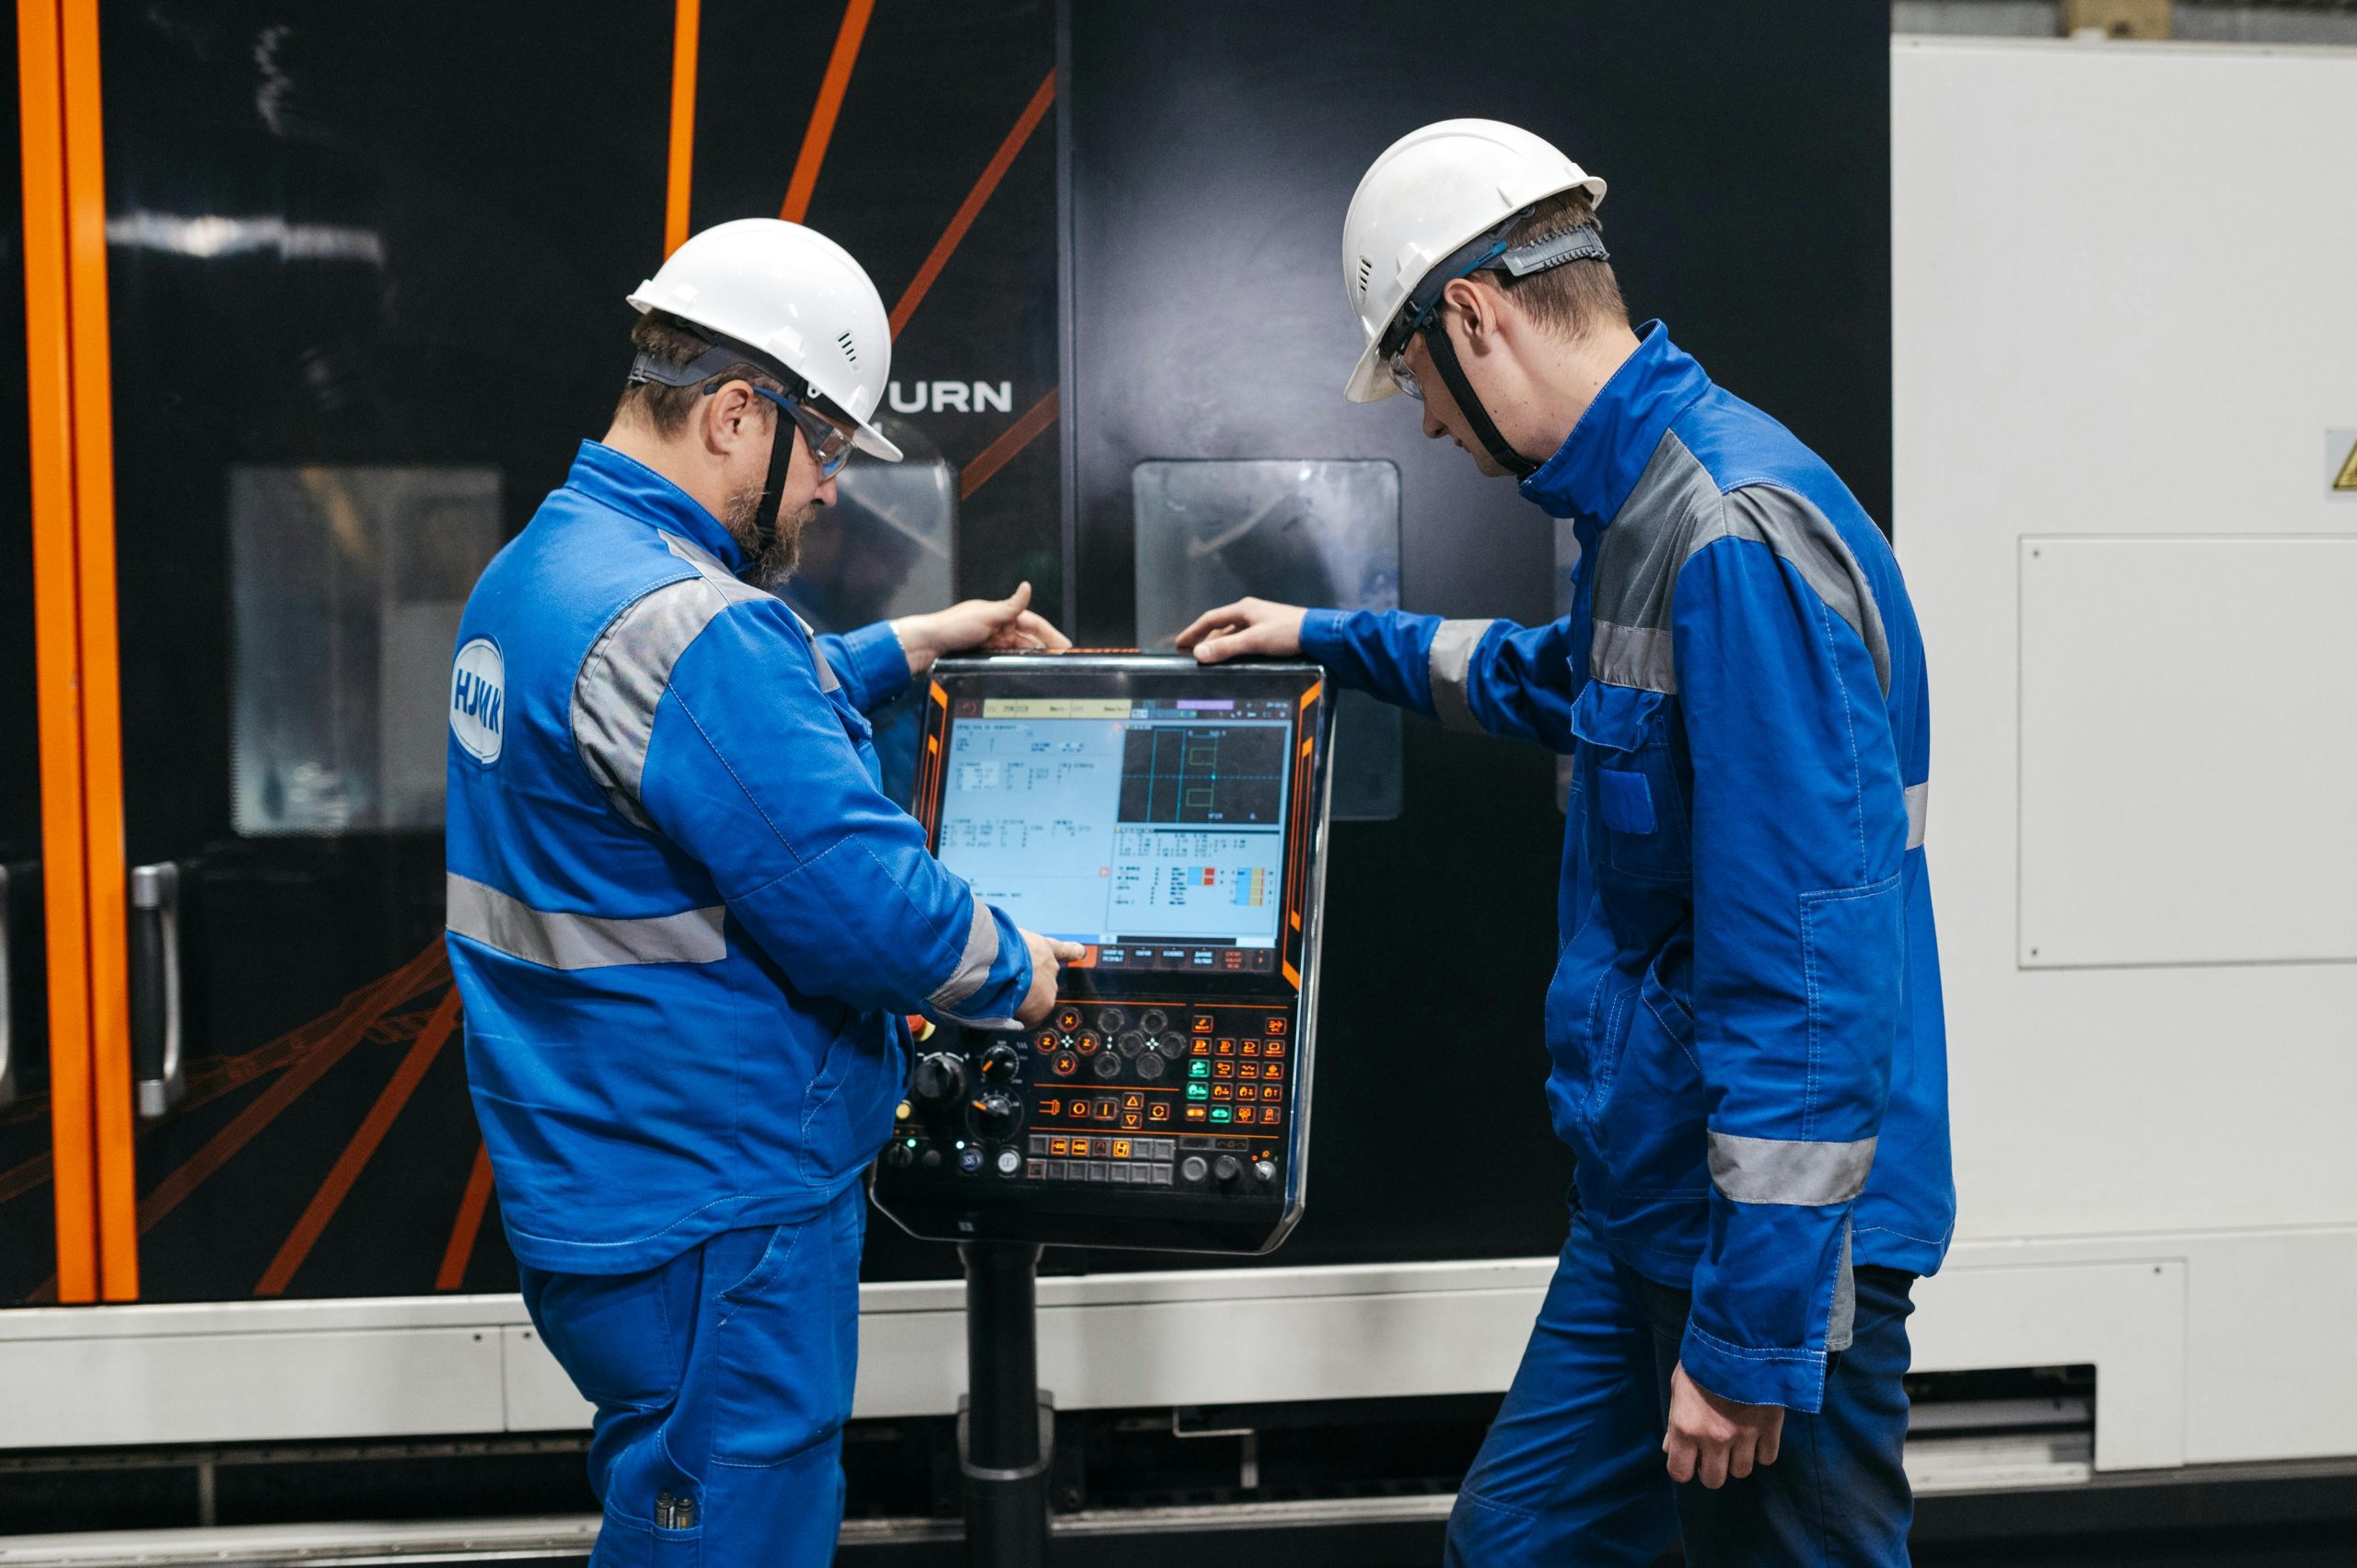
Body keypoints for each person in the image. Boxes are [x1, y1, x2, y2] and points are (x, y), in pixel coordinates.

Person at [1179, 120, 1948, 1565]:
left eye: (1415, 377)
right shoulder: (1644, 508)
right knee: (1515, 1547)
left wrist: (1751, 1335)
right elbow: (1564, 684)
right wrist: (1326, 637)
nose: (1425, 422)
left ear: (1475, 318)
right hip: (1654, 1190)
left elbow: (1809, 966)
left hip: (1771, 1231)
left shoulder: (1729, 532)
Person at [443, 218, 1084, 1566]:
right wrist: (1023, 970)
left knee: (670, 1514)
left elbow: (691, 746)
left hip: (600, 1186)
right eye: (828, 446)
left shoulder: (542, 574)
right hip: (717, 1209)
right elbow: (868, 909)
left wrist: (906, 646)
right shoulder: (697, 629)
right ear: (739, 414)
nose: (832, 489)